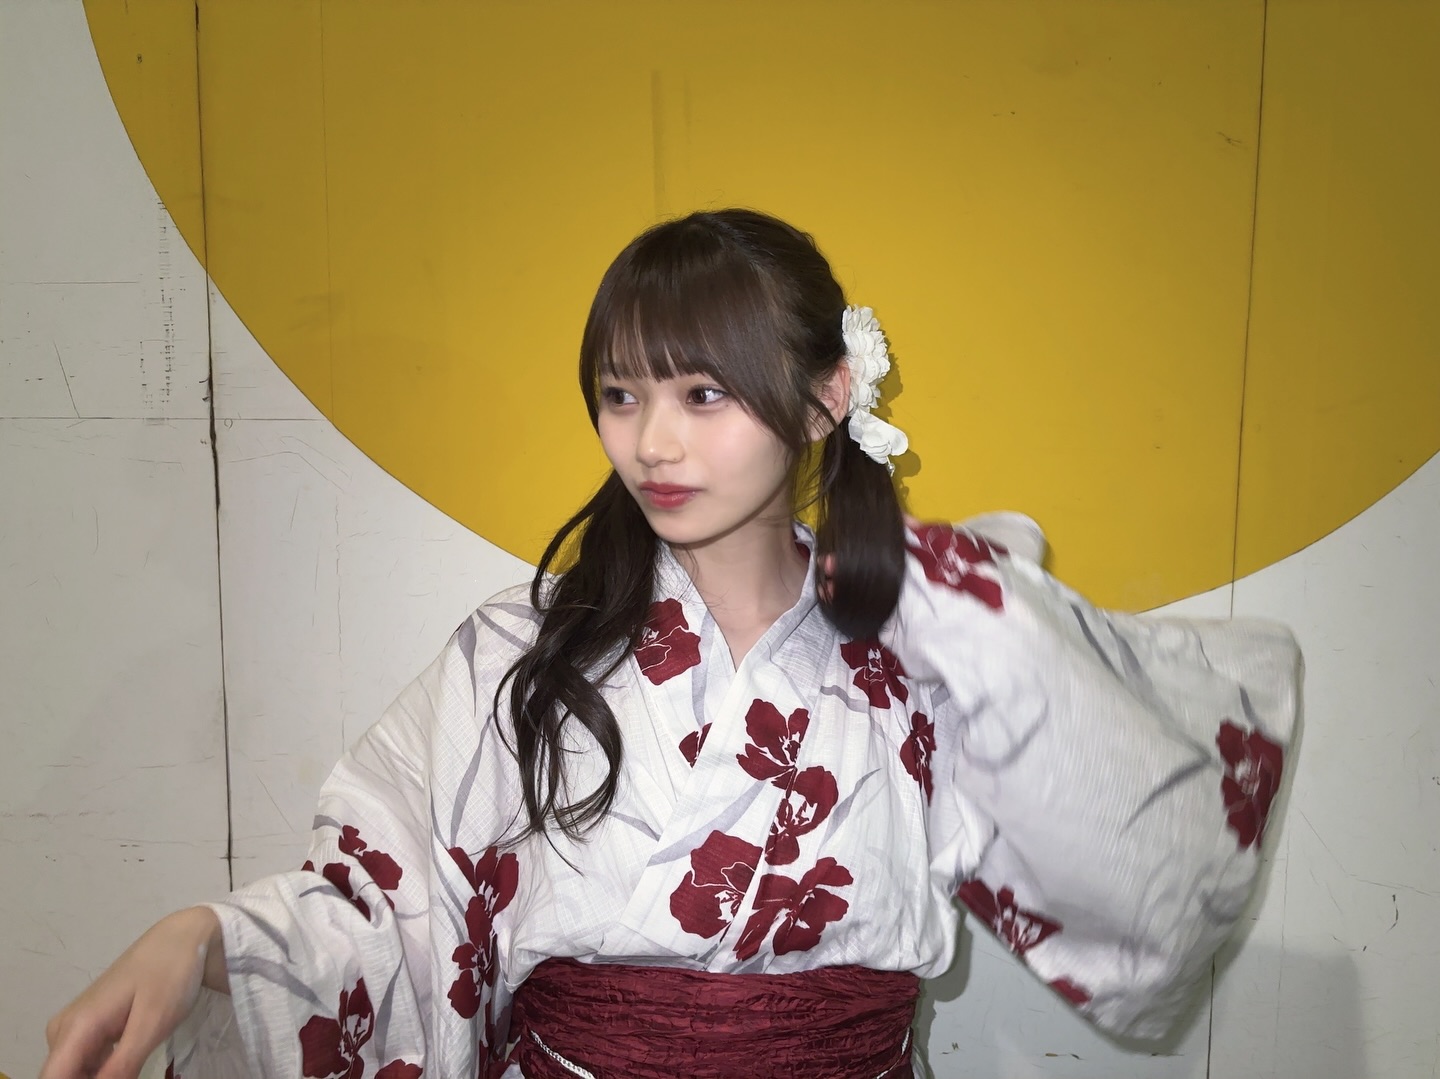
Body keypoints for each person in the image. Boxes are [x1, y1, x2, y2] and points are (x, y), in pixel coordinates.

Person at [41, 209, 1301, 1079]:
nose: (651, 442)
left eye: (703, 391)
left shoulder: (925, 647)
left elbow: (1134, 860)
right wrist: (205, 939)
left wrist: (977, 618)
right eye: (621, 392)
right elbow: (392, 911)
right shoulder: (521, 654)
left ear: (827, 395)